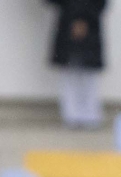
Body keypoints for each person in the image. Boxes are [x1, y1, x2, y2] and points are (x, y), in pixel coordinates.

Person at [48, 0, 105, 130]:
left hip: (91, 27)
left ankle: (90, 115)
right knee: (68, 75)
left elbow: (100, 4)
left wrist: (84, 19)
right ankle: (71, 115)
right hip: (67, 26)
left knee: (89, 77)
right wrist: (73, 18)